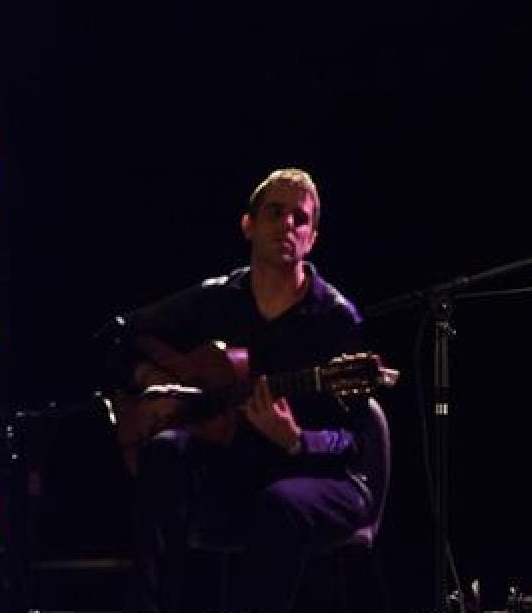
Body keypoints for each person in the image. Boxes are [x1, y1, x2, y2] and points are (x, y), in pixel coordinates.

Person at [124, 168, 376, 613]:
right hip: (239, 460)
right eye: (275, 213)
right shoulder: (217, 298)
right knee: (164, 452)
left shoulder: (335, 318)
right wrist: (151, 377)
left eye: (301, 219)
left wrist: (297, 441)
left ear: (312, 238)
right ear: (249, 226)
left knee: (280, 502)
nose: (288, 226)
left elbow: (355, 439)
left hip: (324, 476)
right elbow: (125, 333)